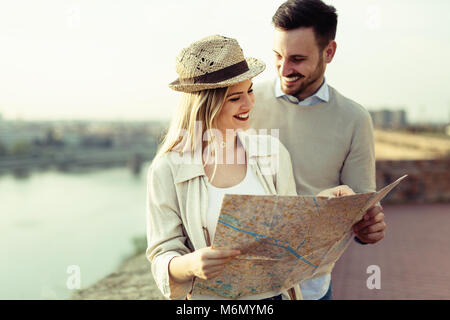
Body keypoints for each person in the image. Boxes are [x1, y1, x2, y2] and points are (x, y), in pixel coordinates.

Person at [145, 35, 353, 300]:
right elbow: (162, 254)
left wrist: (324, 204)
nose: (249, 104)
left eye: (250, 91)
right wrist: (191, 265)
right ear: (205, 104)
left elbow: (290, 228)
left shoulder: (272, 151)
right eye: (235, 98)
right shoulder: (168, 168)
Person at [250, 0, 387, 300]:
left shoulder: (354, 119)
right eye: (277, 55)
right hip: (247, 289)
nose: (284, 69)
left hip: (312, 289)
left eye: (297, 59)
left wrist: (368, 228)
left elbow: (360, 207)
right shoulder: (244, 104)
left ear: (329, 52)